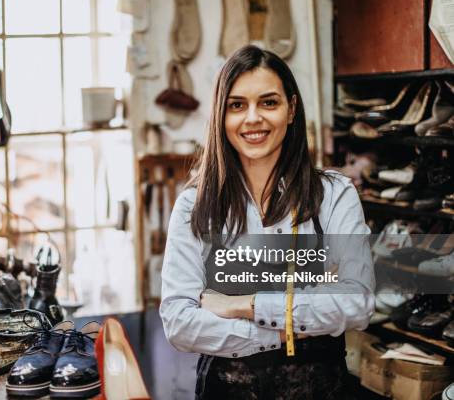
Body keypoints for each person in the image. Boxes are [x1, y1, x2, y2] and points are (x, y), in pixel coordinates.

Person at [160, 45, 375, 399]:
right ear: (221, 116)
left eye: (269, 102)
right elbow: (180, 323)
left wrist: (243, 305)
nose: (253, 118)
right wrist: (284, 328)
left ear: (291, 109)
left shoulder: (334, 195)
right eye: (237, 105)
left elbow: (357, 301)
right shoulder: (192, 207)